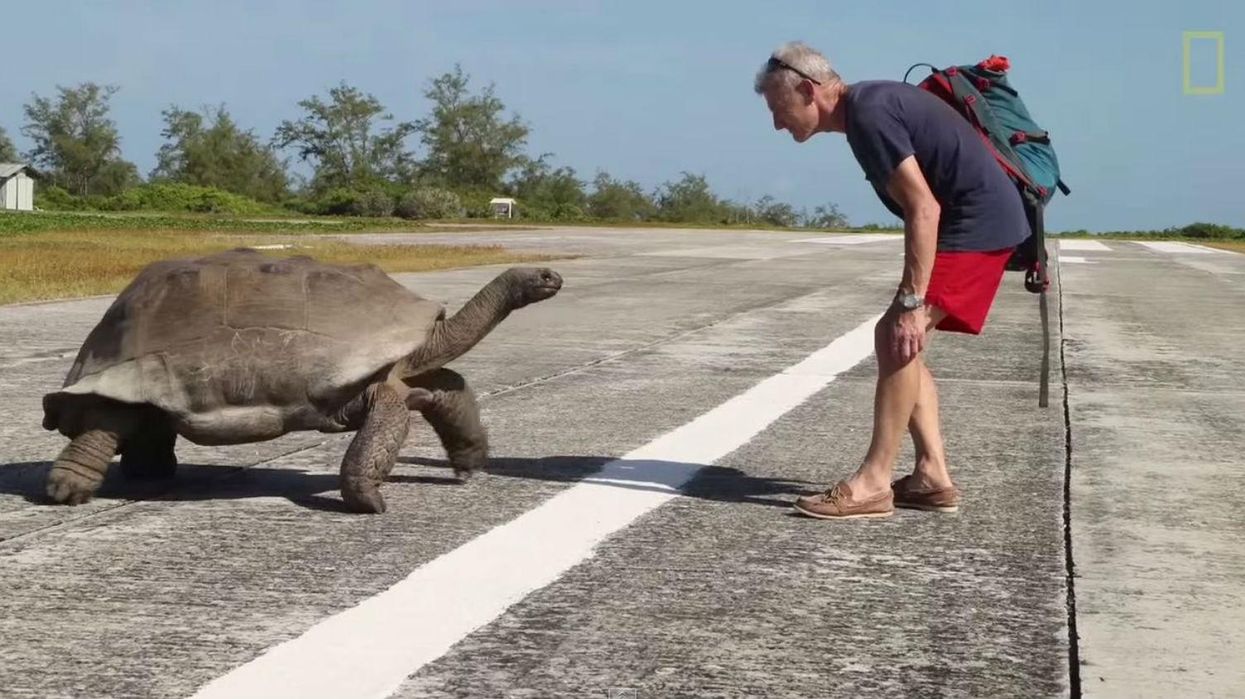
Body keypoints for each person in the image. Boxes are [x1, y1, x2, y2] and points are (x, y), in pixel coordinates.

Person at [753, 41, 1031, 519]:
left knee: (897, 334)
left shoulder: (870, 115)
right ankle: (931, 476)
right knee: (904, 341)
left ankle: (873, 482)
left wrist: (911, 300)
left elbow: (923, 207)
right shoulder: (870, 107)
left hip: (977, 224)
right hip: (977, 222)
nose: (778, 123)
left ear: (807, 90)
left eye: (779, 110)